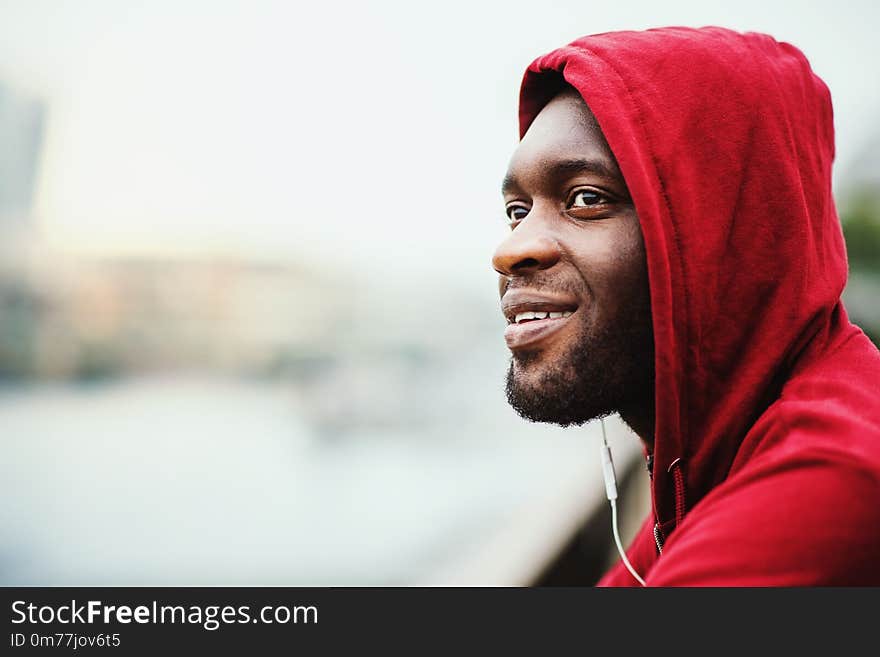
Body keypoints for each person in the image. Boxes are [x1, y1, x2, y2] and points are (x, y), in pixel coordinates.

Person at [492, 26, 880, 586]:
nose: (511, 249)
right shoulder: (715, 458)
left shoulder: (826, 486)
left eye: (585, 199)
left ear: (724, 226)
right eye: (517, 209)